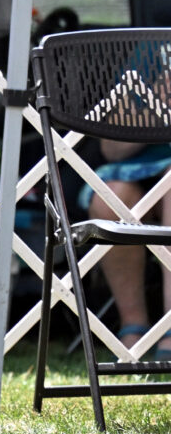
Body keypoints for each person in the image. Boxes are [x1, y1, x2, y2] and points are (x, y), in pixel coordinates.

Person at [90, 139, 171, 358]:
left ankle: (170, 326)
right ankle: (133, 324)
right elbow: (111, 150)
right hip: (133, 167)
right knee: (110, 199)